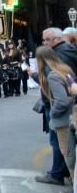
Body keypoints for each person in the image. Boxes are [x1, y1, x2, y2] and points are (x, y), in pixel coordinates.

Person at [34, 46, 75, 183]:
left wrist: (53, 112)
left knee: (66, 152)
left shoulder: (52, 75)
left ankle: (73, 188)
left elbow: (61, 101)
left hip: (62, 119)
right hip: (71, 115)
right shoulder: (65, 70)